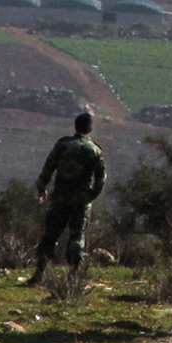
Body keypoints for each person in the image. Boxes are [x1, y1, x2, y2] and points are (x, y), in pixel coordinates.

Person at [26, 111, 106, 285]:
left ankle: (39, 273)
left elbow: (49, 167)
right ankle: (74, 276)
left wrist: (42, 187)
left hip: (60, 196)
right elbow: (101, 179)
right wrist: (91, 195)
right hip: (81, 199)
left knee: (51, 234)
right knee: (77, 236)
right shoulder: (95, 150)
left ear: (75, 126)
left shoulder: (63, 145)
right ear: (90, 128)